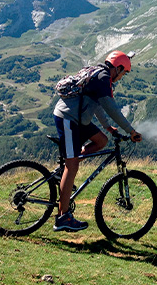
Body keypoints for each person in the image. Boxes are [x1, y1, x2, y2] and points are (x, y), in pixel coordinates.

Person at [52, 50, 142, 232]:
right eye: (123, 73)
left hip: (78, 118)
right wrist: (131, 131)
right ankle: (63, 217)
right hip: (68, 118)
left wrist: (107, 128)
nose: (122, 77)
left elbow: (97, 105)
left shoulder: (99, 73)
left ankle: (64, 170)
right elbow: (111, 108)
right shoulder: (103, 78)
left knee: (101, 140)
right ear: (117, 68)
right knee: (72, 166)